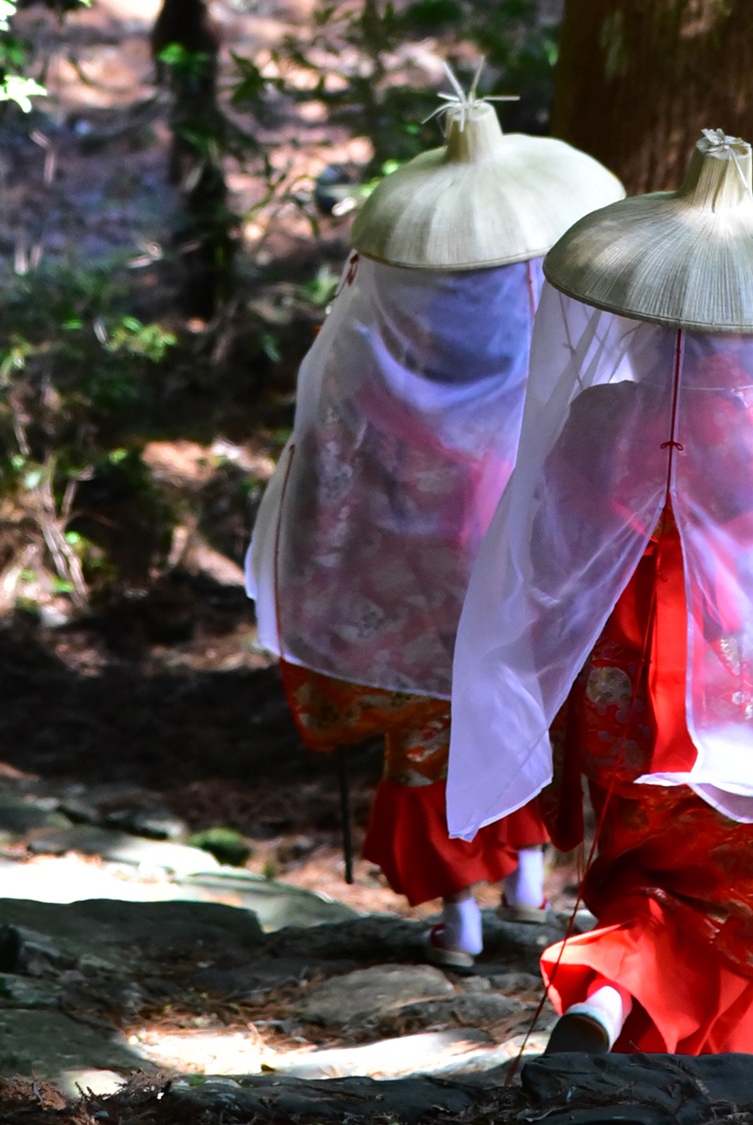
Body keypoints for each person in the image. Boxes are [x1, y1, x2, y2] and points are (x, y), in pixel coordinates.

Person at [446, 130, 753, 1048]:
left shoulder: (597, 417)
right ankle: (630, 1002)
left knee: (642, 869)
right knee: (748, 889)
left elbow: (546, 549)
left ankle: (617, 1006)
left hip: (622, 695)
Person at [245, 71, 623, 966]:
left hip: (408, 550)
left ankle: (459, 916)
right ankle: (529, 870)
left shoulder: (383, 324)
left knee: (426, 732)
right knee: (522, 699)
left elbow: (329, 446)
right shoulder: (535, 291)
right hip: (516, 522)